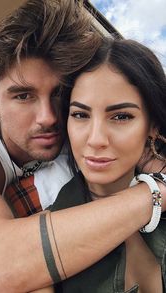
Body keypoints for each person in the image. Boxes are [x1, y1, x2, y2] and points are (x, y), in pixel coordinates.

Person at [0, 1, 166, 292]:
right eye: (23, 96)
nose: (48, 117)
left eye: (59, 93)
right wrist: (154, 194)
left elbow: (147, 145)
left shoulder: (83, 120)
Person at [47, 38, 166, 292]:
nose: (96, 139)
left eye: (121, 116)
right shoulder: (41, 238)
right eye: (80, 114)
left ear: (153, 126)